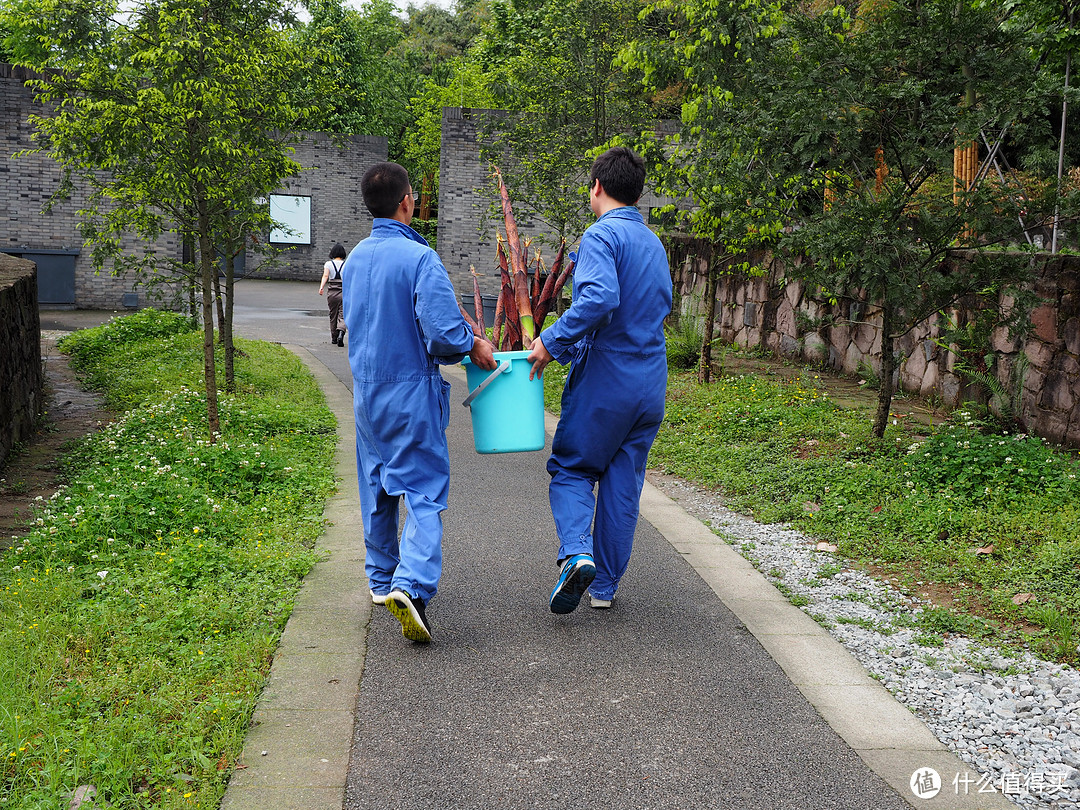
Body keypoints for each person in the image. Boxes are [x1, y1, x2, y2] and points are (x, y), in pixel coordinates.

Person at [342, 161, 496, 643]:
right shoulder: (419, 260)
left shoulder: (357, 259)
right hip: (410, 391)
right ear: (408, 201)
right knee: (424, 492)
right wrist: (473, 343)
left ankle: (381, 579)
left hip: (366, 391)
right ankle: (412, 587)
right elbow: (443, 335)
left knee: (377, 486)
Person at [526, 147, 672, 614]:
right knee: (622, 482)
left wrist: (551, 341)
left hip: (609, 377)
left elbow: (600, 299)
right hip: (651, 380)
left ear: (596, 187)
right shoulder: (654, 244)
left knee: (572, 469)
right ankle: (605, 588)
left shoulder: (600, 237)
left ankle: (577, 553)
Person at [318, 243, 348, 346]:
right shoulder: (346, 264)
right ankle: (341, 332)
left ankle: (334, 338)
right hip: (344, 291)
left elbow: (325, 276)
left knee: (333, 314)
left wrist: (321, 287)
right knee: (343, 314)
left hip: (332, 292)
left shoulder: (328, 264)